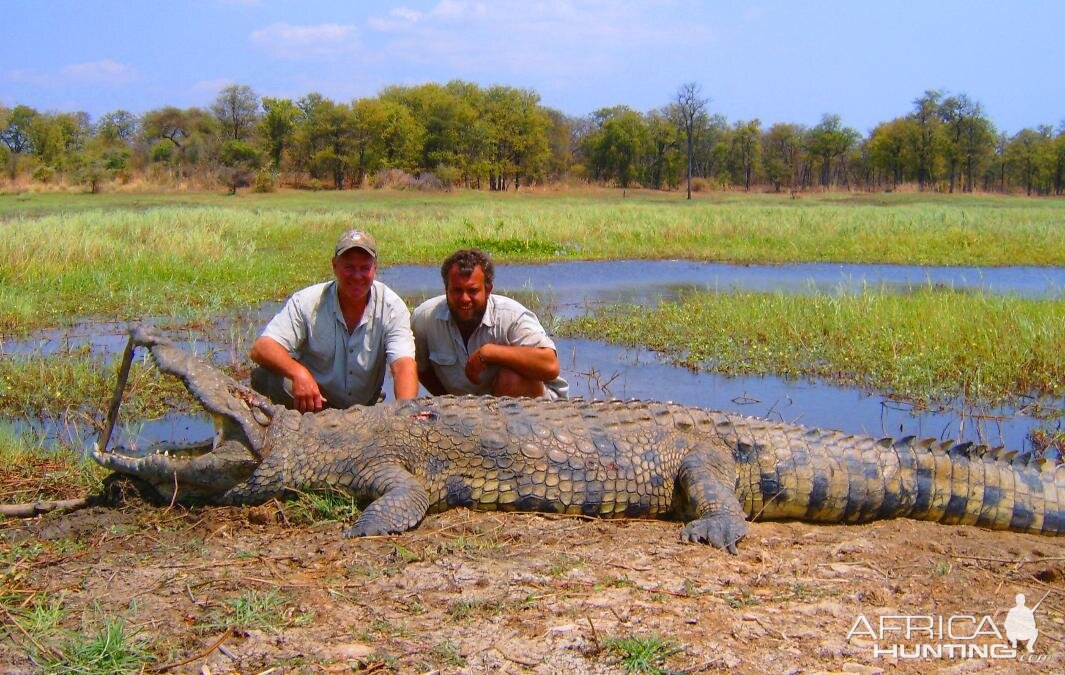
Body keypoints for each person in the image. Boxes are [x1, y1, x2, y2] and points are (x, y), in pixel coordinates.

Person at [249, 229, 418, 412]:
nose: (357, 276)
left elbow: (403, 365)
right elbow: (262, 348)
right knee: (265, 376)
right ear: (334, 266)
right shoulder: (307, 301)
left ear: (375, 269)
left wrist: (406, 415)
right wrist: (299, 373)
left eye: (364, 268)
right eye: (349, 267)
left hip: (365, 409)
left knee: (404, 410)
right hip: (315, 404)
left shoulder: (392, 306)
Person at [412, 248, 568, 399]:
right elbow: (420, 368)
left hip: (546, 405)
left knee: (511, 379)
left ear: (488, 290)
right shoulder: (424, 319)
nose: (465, 299)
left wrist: (490, 353)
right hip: (479, 412)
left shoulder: (511, 316)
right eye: (457, 291)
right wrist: (450, 403)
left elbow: (550, 366)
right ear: (446, 289)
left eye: (472, 291)